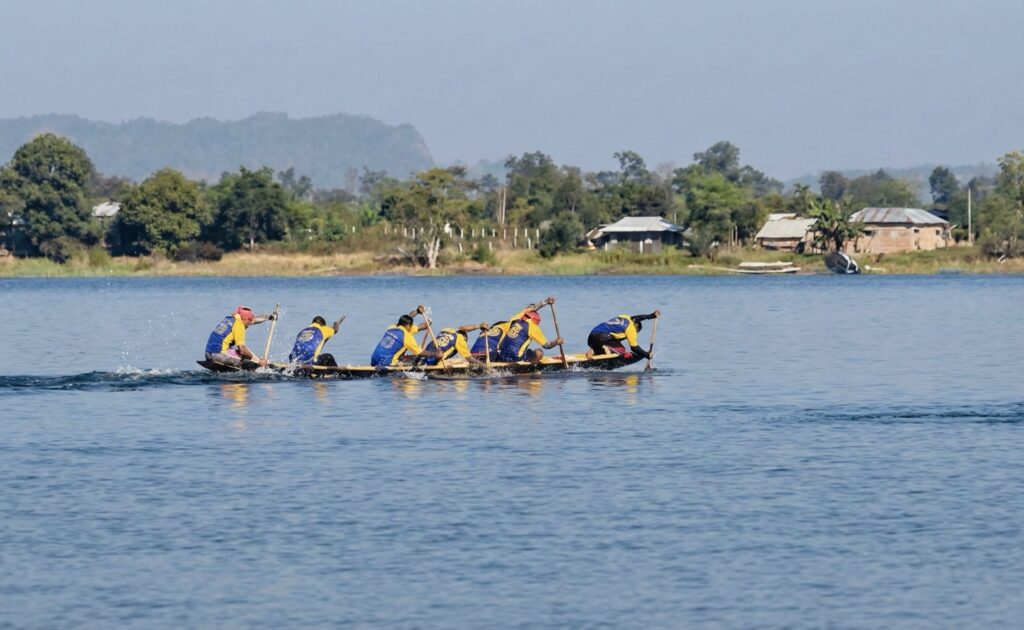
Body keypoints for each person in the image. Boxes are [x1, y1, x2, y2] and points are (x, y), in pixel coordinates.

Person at [470, 298, 550, 361]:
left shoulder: (505, 323)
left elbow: (529, 309)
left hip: (472, 353)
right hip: (488, 354)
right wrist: (545, 302)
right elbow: (529, 309)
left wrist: (545, 302)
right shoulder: (514, 325)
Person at [496, 298, 564, 363]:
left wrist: (546, 301)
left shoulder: (515, 319)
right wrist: (557, 342)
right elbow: (547, 346)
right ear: (535, 321)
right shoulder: (533, 327)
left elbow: (529, 308)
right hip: (515, 357)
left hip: (501, 354)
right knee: (539, 352)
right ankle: (530, 368)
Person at [204, 305, 276, 366]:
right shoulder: (239, 325)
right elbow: (242, 350)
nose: (250, 323)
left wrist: (268, 317)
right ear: (244, 319)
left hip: (208, 354)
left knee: (245, 355)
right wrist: (258, 361)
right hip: (218, 356)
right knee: (248, 360)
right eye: (249, 321)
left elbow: (253, 320)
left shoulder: (231, 318)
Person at [370, 305, 436, 367]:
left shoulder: (392, 327)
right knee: (416, 357)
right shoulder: (407, 336)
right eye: (411, 325)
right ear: (408, 326)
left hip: (374, 359)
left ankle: (400, 358)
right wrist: (436, 354)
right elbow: (420, 352)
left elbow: (411, 320)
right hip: (386, 363)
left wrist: (419, 312)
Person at [586, 311, 660, 359]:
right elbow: (634, 348)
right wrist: (647, 355)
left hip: (590, 338)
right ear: (636, 328)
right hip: (600, 339)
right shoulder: (631, 329)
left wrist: (651, 316)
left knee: (614, 341)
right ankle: (603, 348)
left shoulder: (624, 317)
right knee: (622, 351)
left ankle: (596, 349)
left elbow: (637, 318)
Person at [418, 322, 489, 369]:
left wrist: (479, 326)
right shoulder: (460, 339)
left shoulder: (447, 330)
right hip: (432, 361)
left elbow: (462, 328)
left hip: (423, 355)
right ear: (464, 338)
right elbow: (470, 359)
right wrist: (486, 367)